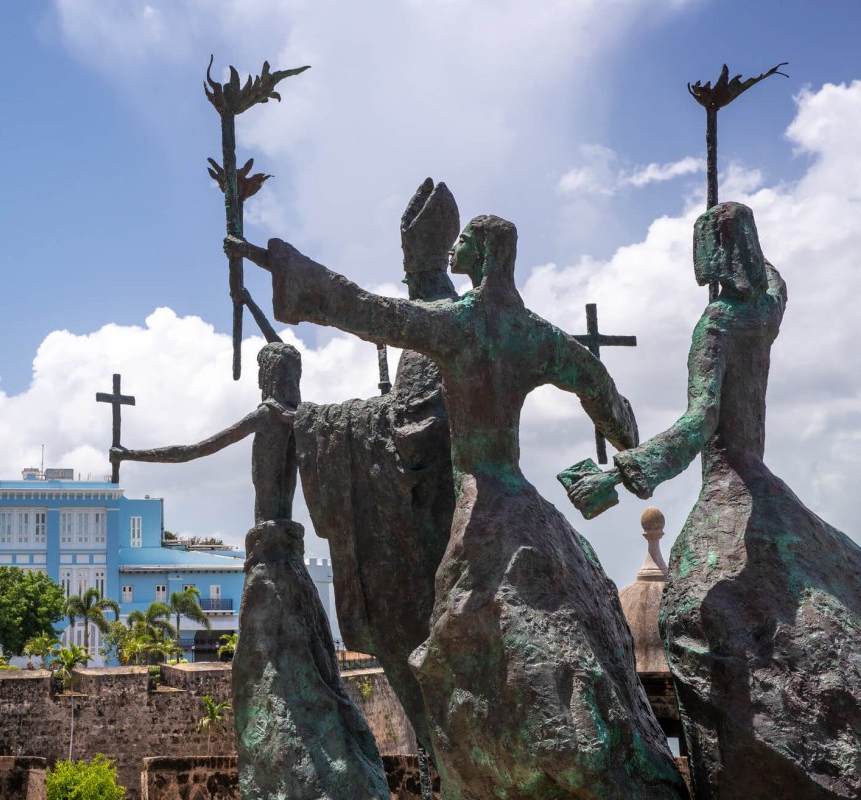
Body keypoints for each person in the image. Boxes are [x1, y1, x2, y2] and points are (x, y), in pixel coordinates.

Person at [230, 216, 686, 799]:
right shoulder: (535, 332)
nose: (454, 250)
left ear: (486, 253)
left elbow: (358, 307)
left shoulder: (458, 323)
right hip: (531, 513)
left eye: (464, 242)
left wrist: (277, 262)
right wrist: (613, 470)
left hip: (480, 511)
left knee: (448, 657)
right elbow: (616, 410)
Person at [563, 202, 861, 798]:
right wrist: (749, 247)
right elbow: (777, 280)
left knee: (688, 619)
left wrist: (620, 474)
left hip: (728, 496)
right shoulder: (766, 309)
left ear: (710, 254)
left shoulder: (719, 322)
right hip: (771, 492)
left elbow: (700, 421)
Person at [113, 343, 390, 800]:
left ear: (266, 376)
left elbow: (192, 450)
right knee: (316, 669)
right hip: (290, 555)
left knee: (278, 672)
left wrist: (132, 454)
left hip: (268, 557)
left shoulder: (270, 415)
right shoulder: (303, 419)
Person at [293, 177, 457, 764]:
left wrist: (317, 421)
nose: (409, 285)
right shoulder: (451, 318)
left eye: (411, 276)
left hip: (435, 524)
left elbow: (412, 435)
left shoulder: (434, 325)